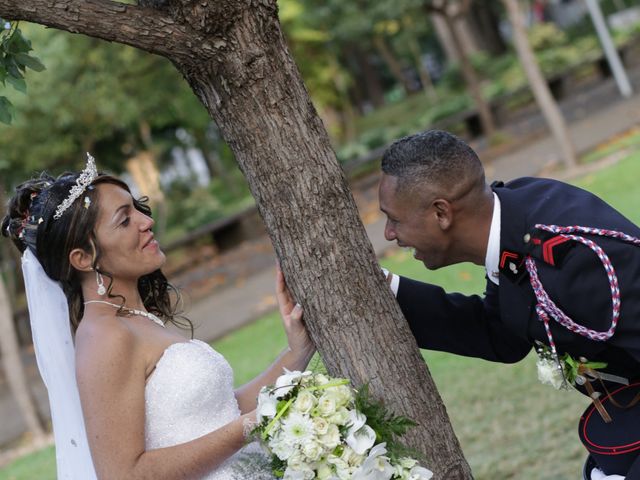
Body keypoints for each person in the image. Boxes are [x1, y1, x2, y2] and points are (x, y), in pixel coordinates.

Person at [1, 154, 315, 479]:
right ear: (83, 259)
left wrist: (296, 353)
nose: (146, 221)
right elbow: (124, 473)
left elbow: (223, 413)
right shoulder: (105, 337)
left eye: (136, 208)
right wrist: (246, 428)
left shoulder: (133, 318)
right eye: (124, 220)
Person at [377, 130, 640, 479]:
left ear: (441, 212)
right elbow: (502, 333)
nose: (388, 234)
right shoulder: (511, 224)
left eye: (394, 218)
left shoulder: (574, 262)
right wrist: (388, 290)